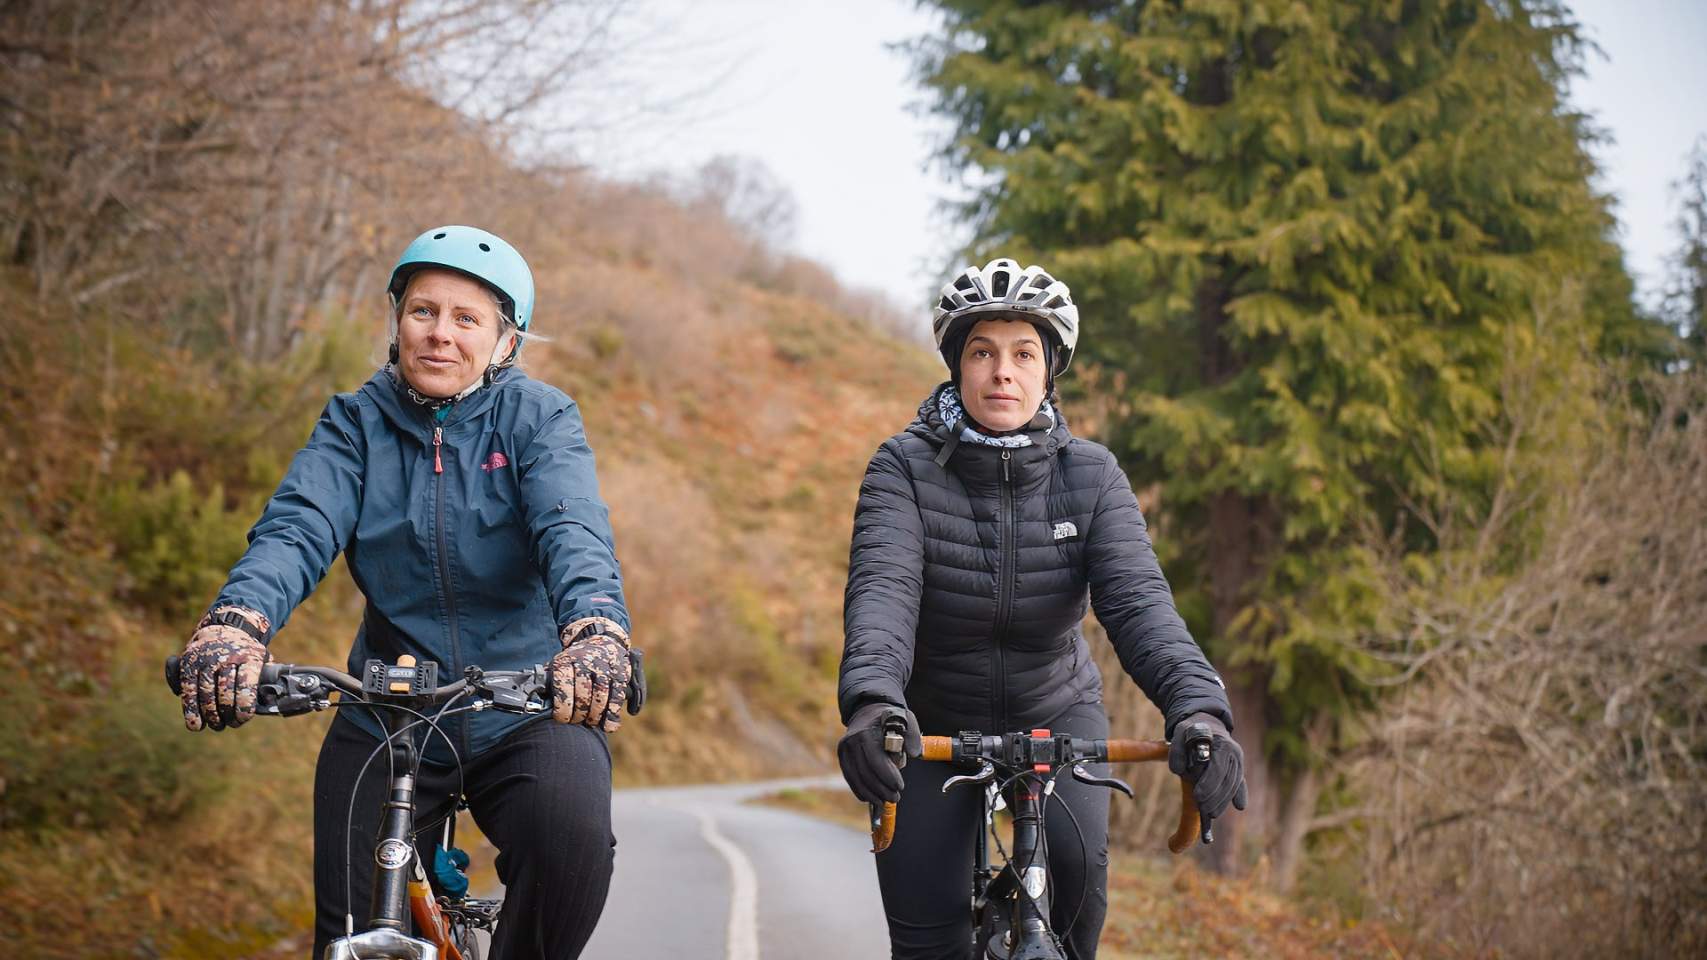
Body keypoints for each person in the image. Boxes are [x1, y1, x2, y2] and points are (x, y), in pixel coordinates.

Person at [174, 225, 633, 959]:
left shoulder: (539, 420)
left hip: (523, 703)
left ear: (505, 343)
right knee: (352, 932)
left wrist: (596, 633)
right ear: (396, 321)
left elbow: (571, 529)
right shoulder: (353, 424)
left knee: (570, 846)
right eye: (423, 311)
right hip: (390, 708)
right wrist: (237, 623)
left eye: (466, 319)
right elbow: (296, 529)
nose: (440, 335)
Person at [836, 258, 1248, 958]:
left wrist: (1199, 710)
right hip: (931, 721)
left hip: (1056, 712)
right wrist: (873, 703)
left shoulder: (1090, 476)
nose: (1003, 371)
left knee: (1078, 899)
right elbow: (883, 593)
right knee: (926, 936)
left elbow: (1140, 605)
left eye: (1023, 353)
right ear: (956, 367)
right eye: (982, 352)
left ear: (1047, 369)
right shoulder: (900, 468)